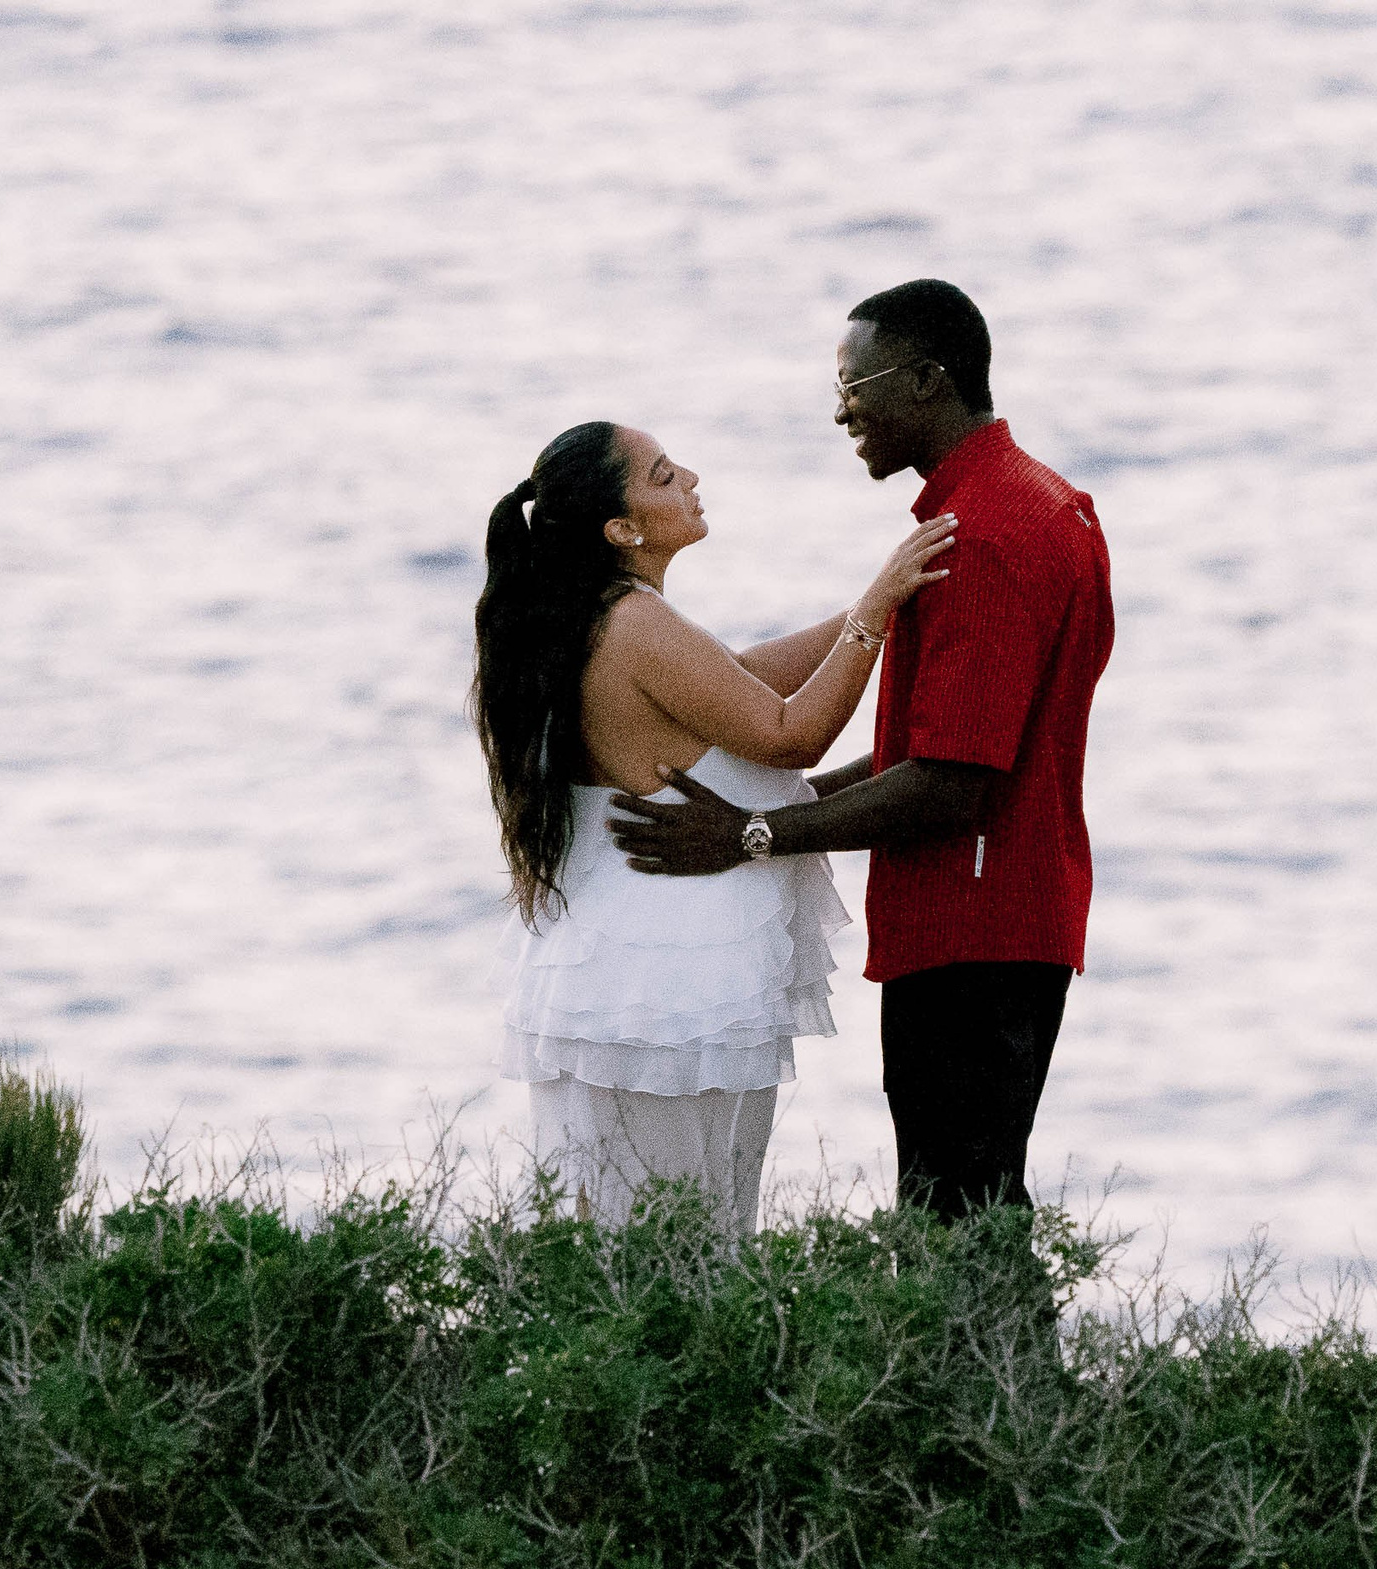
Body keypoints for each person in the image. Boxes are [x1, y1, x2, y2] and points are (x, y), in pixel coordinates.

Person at [610, 280, 1115, 1222]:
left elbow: (951, 786)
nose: (840, 409)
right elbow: (927, 753)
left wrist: (757, 834)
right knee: (976, 1205)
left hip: (971, 929)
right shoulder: (1045, 503)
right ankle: (1011, 1379)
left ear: (926, 381)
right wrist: (776, 802)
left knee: (954, 1221)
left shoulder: (984, 537)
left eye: (855, 384)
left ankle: (997, 1380)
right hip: (1012, 916)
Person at [475, 419, 955, 1235]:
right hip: (668, 980)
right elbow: (789, 733)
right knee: (685, 1242)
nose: (690, 476)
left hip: (629, 969)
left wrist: (879, 608)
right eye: (663, 476)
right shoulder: (631, 620)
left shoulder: (604, 616)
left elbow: (741, 679)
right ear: (621, 530)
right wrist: (875, 611)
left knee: (640, 1240)